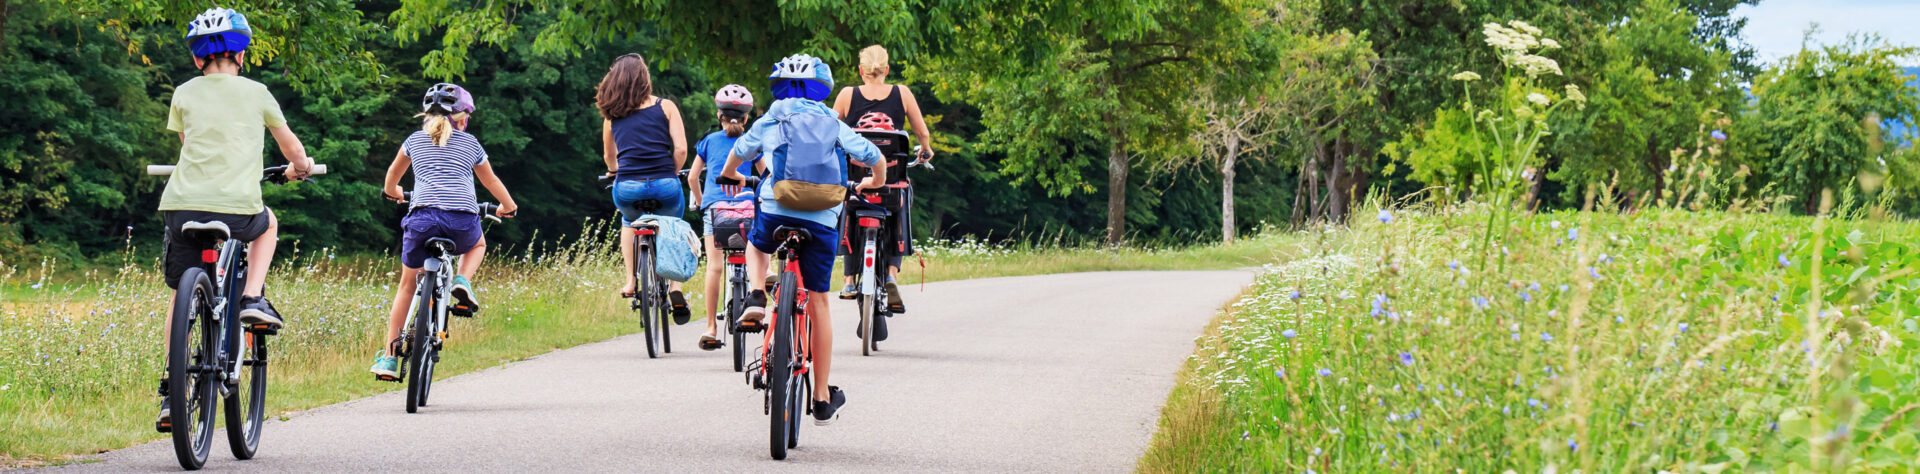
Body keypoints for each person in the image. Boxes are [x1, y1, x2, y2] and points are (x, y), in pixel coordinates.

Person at [157, 7, 316, 427]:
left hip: (182, 206)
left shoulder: (183, 93)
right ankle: (252, 298)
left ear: (197, 59)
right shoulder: (258, 92)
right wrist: (300, 167)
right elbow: (291, 149)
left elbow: (191, 145)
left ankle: (172, 393)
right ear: (241, 56)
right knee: (268, 224)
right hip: (238, 208)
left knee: (180, 291)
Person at [722, 54, 885, 425]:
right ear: (821, 88)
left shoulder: (774, 114)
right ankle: (822, 396)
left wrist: (730, 172)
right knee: (819, 302)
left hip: (777, 206)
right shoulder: (832, 120)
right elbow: (872, 156)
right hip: (824, 217)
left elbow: (742, 150)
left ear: (780, 85)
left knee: (758, 245)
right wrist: (875, 180)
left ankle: (757, 295)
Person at [369, 83, 519, 380]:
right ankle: (462, 280)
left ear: (426, 115)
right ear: (463, 118)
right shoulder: (471, 144)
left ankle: (388, 357)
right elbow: (491, 181)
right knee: (477, 245)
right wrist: (508, 206)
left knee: (407, 286)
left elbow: (392, 176)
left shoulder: (414, 140)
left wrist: (394, 193)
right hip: (462, 220)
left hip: (422, 220)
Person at [830, 45, 932, 312]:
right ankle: (890, 276)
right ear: (886, 69)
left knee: (847, 209)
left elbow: (828, 130)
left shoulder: (846, 95)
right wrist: (925, 150)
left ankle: (849, 280)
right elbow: (922, 132)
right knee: (901, 201)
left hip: (857, 184)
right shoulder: (903, 93)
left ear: (860, 70)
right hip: (889, 183)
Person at [598, 53, 694, 324]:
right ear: (644, 79)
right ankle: (675, 287)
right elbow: (682, 149)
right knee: (673, 223)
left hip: (628, 186)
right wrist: (672, 173)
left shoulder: (611, 116)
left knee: (629, 222)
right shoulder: (666, 107)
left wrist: (614, 173)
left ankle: (630, 280)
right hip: (664, 183)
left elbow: (609, 157)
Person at [687, 84, 764, 350]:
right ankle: (760, 293)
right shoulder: (752, 142)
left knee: (715, 267)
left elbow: (692, 177)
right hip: (746, 209)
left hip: (715, 209)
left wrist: (700, 201)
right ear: (746, 118)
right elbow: (765, 178)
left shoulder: (708, 141)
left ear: (719, 115)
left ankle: (710, 326)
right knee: (759, 253)